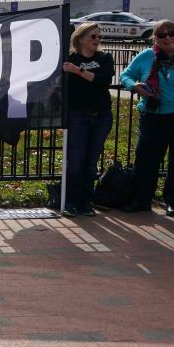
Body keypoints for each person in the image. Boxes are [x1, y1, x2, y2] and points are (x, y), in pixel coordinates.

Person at [119, 19, 174, 216]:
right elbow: (125, 75)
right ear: (155, 38)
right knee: (146, 160)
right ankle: (141, 199)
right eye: (161, 35)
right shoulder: (146, 56)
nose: (168, 38)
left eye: (171, 33)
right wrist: (133, 86)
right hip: (153, 115)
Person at [61, 23, 114, 217]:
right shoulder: (70, 59)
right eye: (93, 37)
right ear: (81, 38)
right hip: (77, 115)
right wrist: (74, 71)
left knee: (91, 162)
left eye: (99, 37)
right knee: (75, 162)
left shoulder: (105, 58)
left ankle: (86, 202)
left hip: (101, 115)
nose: (97, 40)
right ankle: (70, 201)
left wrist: (79, 72)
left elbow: (103, 80)